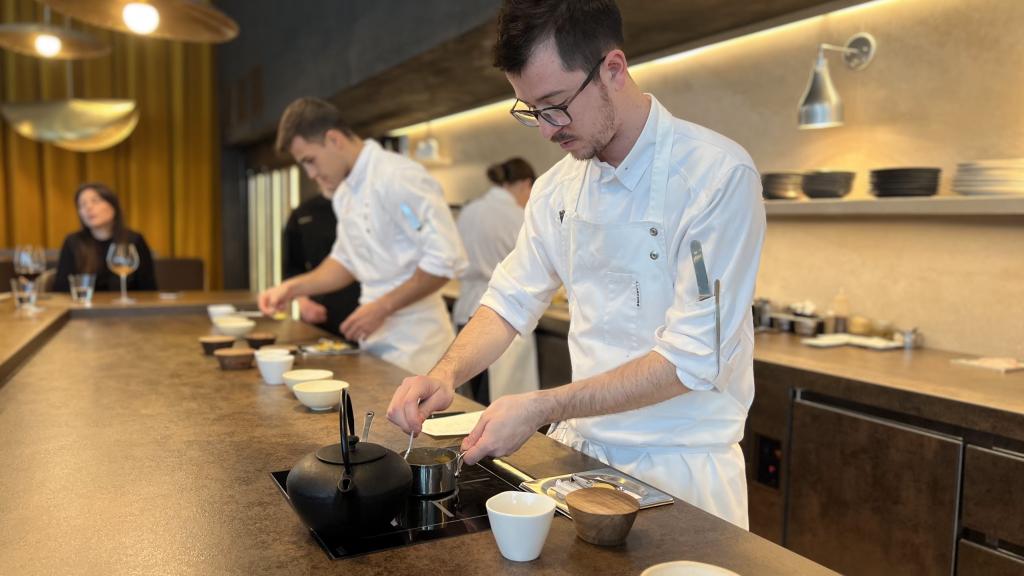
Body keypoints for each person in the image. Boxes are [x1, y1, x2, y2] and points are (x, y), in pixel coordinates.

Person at [388, 0, 765, 529]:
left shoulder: (715, 177)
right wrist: (446, 372)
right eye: (530, 110)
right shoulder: (556, 189)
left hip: (682, 468)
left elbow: (694, 359)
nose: (545, 130)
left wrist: (543, 406)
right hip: (581, 464)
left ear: (613, 69)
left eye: (554, 105)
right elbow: (510, 299)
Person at [259, 98, 468, 375]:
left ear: (333, 139)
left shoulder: (398, 176)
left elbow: (446, 261)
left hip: (419, 348)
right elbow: (346, 261)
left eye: (310, 161)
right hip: (373, 343)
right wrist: (293, 288)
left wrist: (381, 307)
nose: (311, 174)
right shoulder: (344, 193)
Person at [453, 158, 540, 404]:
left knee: (472, 402)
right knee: (498, 405)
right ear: (525, 183)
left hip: (466, 311)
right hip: (502, 316)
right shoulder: (518, 216)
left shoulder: (469, 210)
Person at [283, 181, 361, 337]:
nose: (313, 173)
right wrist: (302, 301)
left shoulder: (363, 208)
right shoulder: (303, 213)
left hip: (366, 309)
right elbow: (292, 266)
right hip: (322, 312)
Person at [52, 182, 157, 293]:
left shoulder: (134, 240)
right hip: (85, 308)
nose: (88, 207)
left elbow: (149, 289)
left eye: (95, 201)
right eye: (82, 205)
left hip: (127, 308)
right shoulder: (73, 242)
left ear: (113, 206)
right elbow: (60, 289)